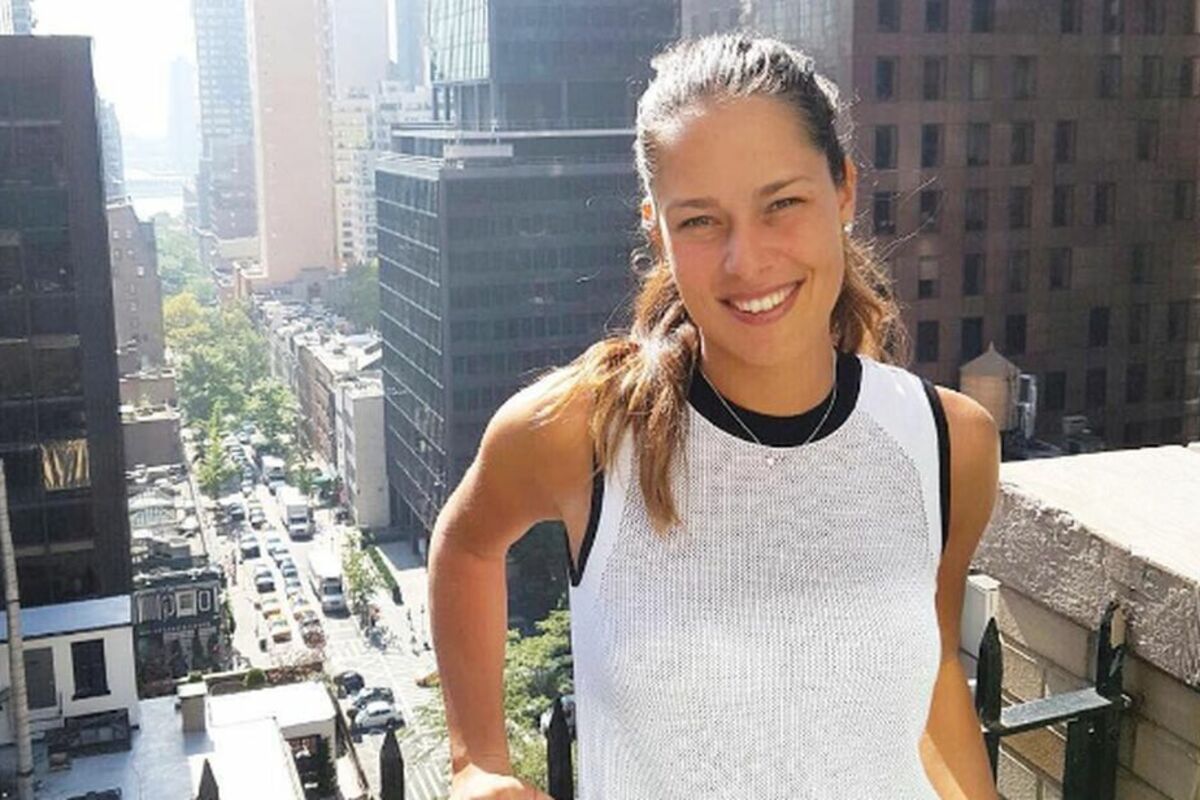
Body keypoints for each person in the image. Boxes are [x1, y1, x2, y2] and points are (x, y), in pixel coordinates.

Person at [429, 34, 1000, 800]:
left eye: (782, 204)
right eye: (700, 221)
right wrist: (476, 761)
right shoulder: (585, 432)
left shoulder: (947, 443)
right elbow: (466, 543)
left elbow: (933, 673)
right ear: (656, 230)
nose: (746, 260)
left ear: (843, 190)